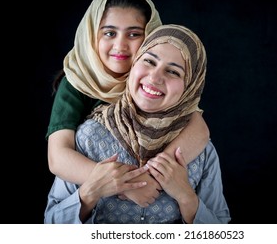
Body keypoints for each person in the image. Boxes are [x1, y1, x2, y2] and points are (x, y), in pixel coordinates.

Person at [44, 24, 231, 224]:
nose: (155, 77)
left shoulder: (201, 152)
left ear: (191, 88)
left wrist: (186, 197)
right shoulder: (88, 138)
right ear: (133, 65)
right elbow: (51, 225)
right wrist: (90, 192)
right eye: (149, 61)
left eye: (174, 72)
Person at [46, 0, 210, 206]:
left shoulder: (151, 80)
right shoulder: (77, 83)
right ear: (92, 33)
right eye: (109, 33)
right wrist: (123, 183)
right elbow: (58, 158)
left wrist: (155, 176)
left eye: (134, 34)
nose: (120, 45)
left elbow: (198, 128)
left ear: (152, 35)